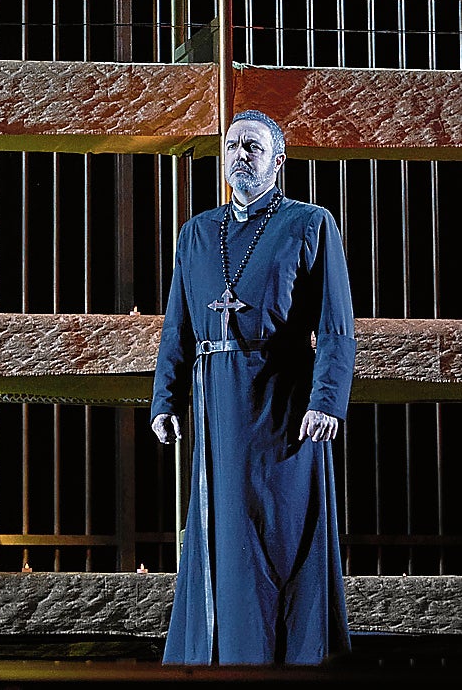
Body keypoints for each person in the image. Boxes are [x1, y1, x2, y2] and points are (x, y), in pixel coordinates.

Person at [151, 109, 356, 665]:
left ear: (278, 161)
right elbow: (179, 326)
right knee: (225, 537)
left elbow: (336, 326)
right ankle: (225, 659)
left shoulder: (310, 224)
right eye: (232, 146)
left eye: (253, 147)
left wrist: (327, 401)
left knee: (282, 539)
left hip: (283, 403)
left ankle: (288, 660)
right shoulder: (196, 233)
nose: (239, 155)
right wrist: (165, 399)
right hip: (218, 400)